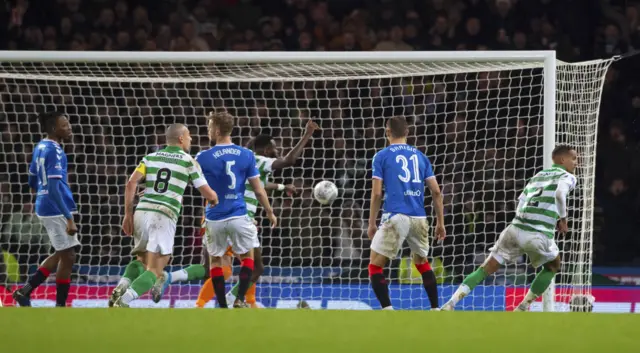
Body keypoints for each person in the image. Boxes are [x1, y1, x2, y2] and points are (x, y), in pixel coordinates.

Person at [195, 119, 319, 308]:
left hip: (219, 214)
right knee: (252, 265)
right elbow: (288, 161)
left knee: (218, 266)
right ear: (267, 149)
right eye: (275, 148)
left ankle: (238, 301)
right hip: (240, 216)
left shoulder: (240, 160)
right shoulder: (257, 159)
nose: (277, 151)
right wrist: (307, 134)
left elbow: (259, 184)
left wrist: (282, 186)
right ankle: (231, 300)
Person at [441, 145, 578, 311]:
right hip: (538, 233)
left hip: (515, 227)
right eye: (574, 159)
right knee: (553, 265)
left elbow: (521, 199)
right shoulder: (568, 176)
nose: (576, 163)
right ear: (562, 160)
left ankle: (451, 303)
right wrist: (563, 219)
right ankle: (522, 307)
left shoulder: (539, 175)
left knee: (486, 267)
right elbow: (559, 193)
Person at [113, 124, 218, 307]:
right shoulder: (188, 161)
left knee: (141, 260)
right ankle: (124, 300)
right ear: (181, 139)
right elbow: (208, 194)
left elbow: (131, 184)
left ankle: (121, 286)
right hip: (163, 214)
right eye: (189, 136)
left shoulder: (150, 158)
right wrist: (215, 198)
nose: (191, 139)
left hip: (141, 212)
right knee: (155, 270)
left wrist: (127, 215)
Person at [196, 111, 277, 308]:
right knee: (248, 258)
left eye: (209, 128)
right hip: (240, 214)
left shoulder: (203, 156)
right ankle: (240, 299)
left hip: (214, 216)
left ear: (216, 130)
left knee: (216, 262)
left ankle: (222, 305)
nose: (208, 131)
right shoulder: (247, 155)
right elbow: (258, 189)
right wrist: (269, 211)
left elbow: (199, 187)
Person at [367, 116, 446, 310]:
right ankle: (436, 308)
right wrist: (440, 223)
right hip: (419, 217)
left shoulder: (381, 156)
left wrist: (371, 223)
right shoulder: (421, 157)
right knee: (421, 262)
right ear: (408, 133)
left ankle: (388, 310)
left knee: (375, 265)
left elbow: (377, 193)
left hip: (395, 215)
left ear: (387, 132)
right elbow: (436, 191)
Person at [13, 112, 79, 307]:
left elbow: (32, 177)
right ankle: (59, 305)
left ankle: (25, 291)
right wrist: (68, 217)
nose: (69, 128)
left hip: (45, 204)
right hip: (55, 207)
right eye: (65, 125)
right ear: (53, 129)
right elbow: (53, 187)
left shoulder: (40, 146)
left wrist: (37, 193)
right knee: (68, 256)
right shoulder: (55, 151)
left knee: (62, 253)